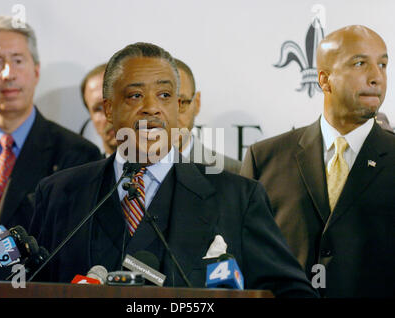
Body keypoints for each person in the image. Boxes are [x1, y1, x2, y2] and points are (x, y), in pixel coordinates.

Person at [29, 42, 318, 298]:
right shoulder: (59, 193)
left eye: (165, 95)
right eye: (134, 96)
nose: (152, 108)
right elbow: (29, 286)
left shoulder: (237, 197)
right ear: (108, 108)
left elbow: (292, 292)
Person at [241, 25, 395, 297]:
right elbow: (242, 257)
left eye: (382, 64)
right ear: (324, 80)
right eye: (360, 63)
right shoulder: (263, 158)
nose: (376, 77)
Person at [0, 16, 102, 243]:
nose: (9, 73)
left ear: (36, 71)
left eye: (18, 60)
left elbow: (72, 246)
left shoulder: (77, 154)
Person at [174, 58, 242, 174]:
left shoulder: (238, 175)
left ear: (197, 103)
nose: (170, 117)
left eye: (181, 102)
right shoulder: (132, 173)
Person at [80, 63, 117, 157]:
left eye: (115, 103)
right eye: (98, 109)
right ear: (91, 117)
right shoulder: (86, 171)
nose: (109, 116)